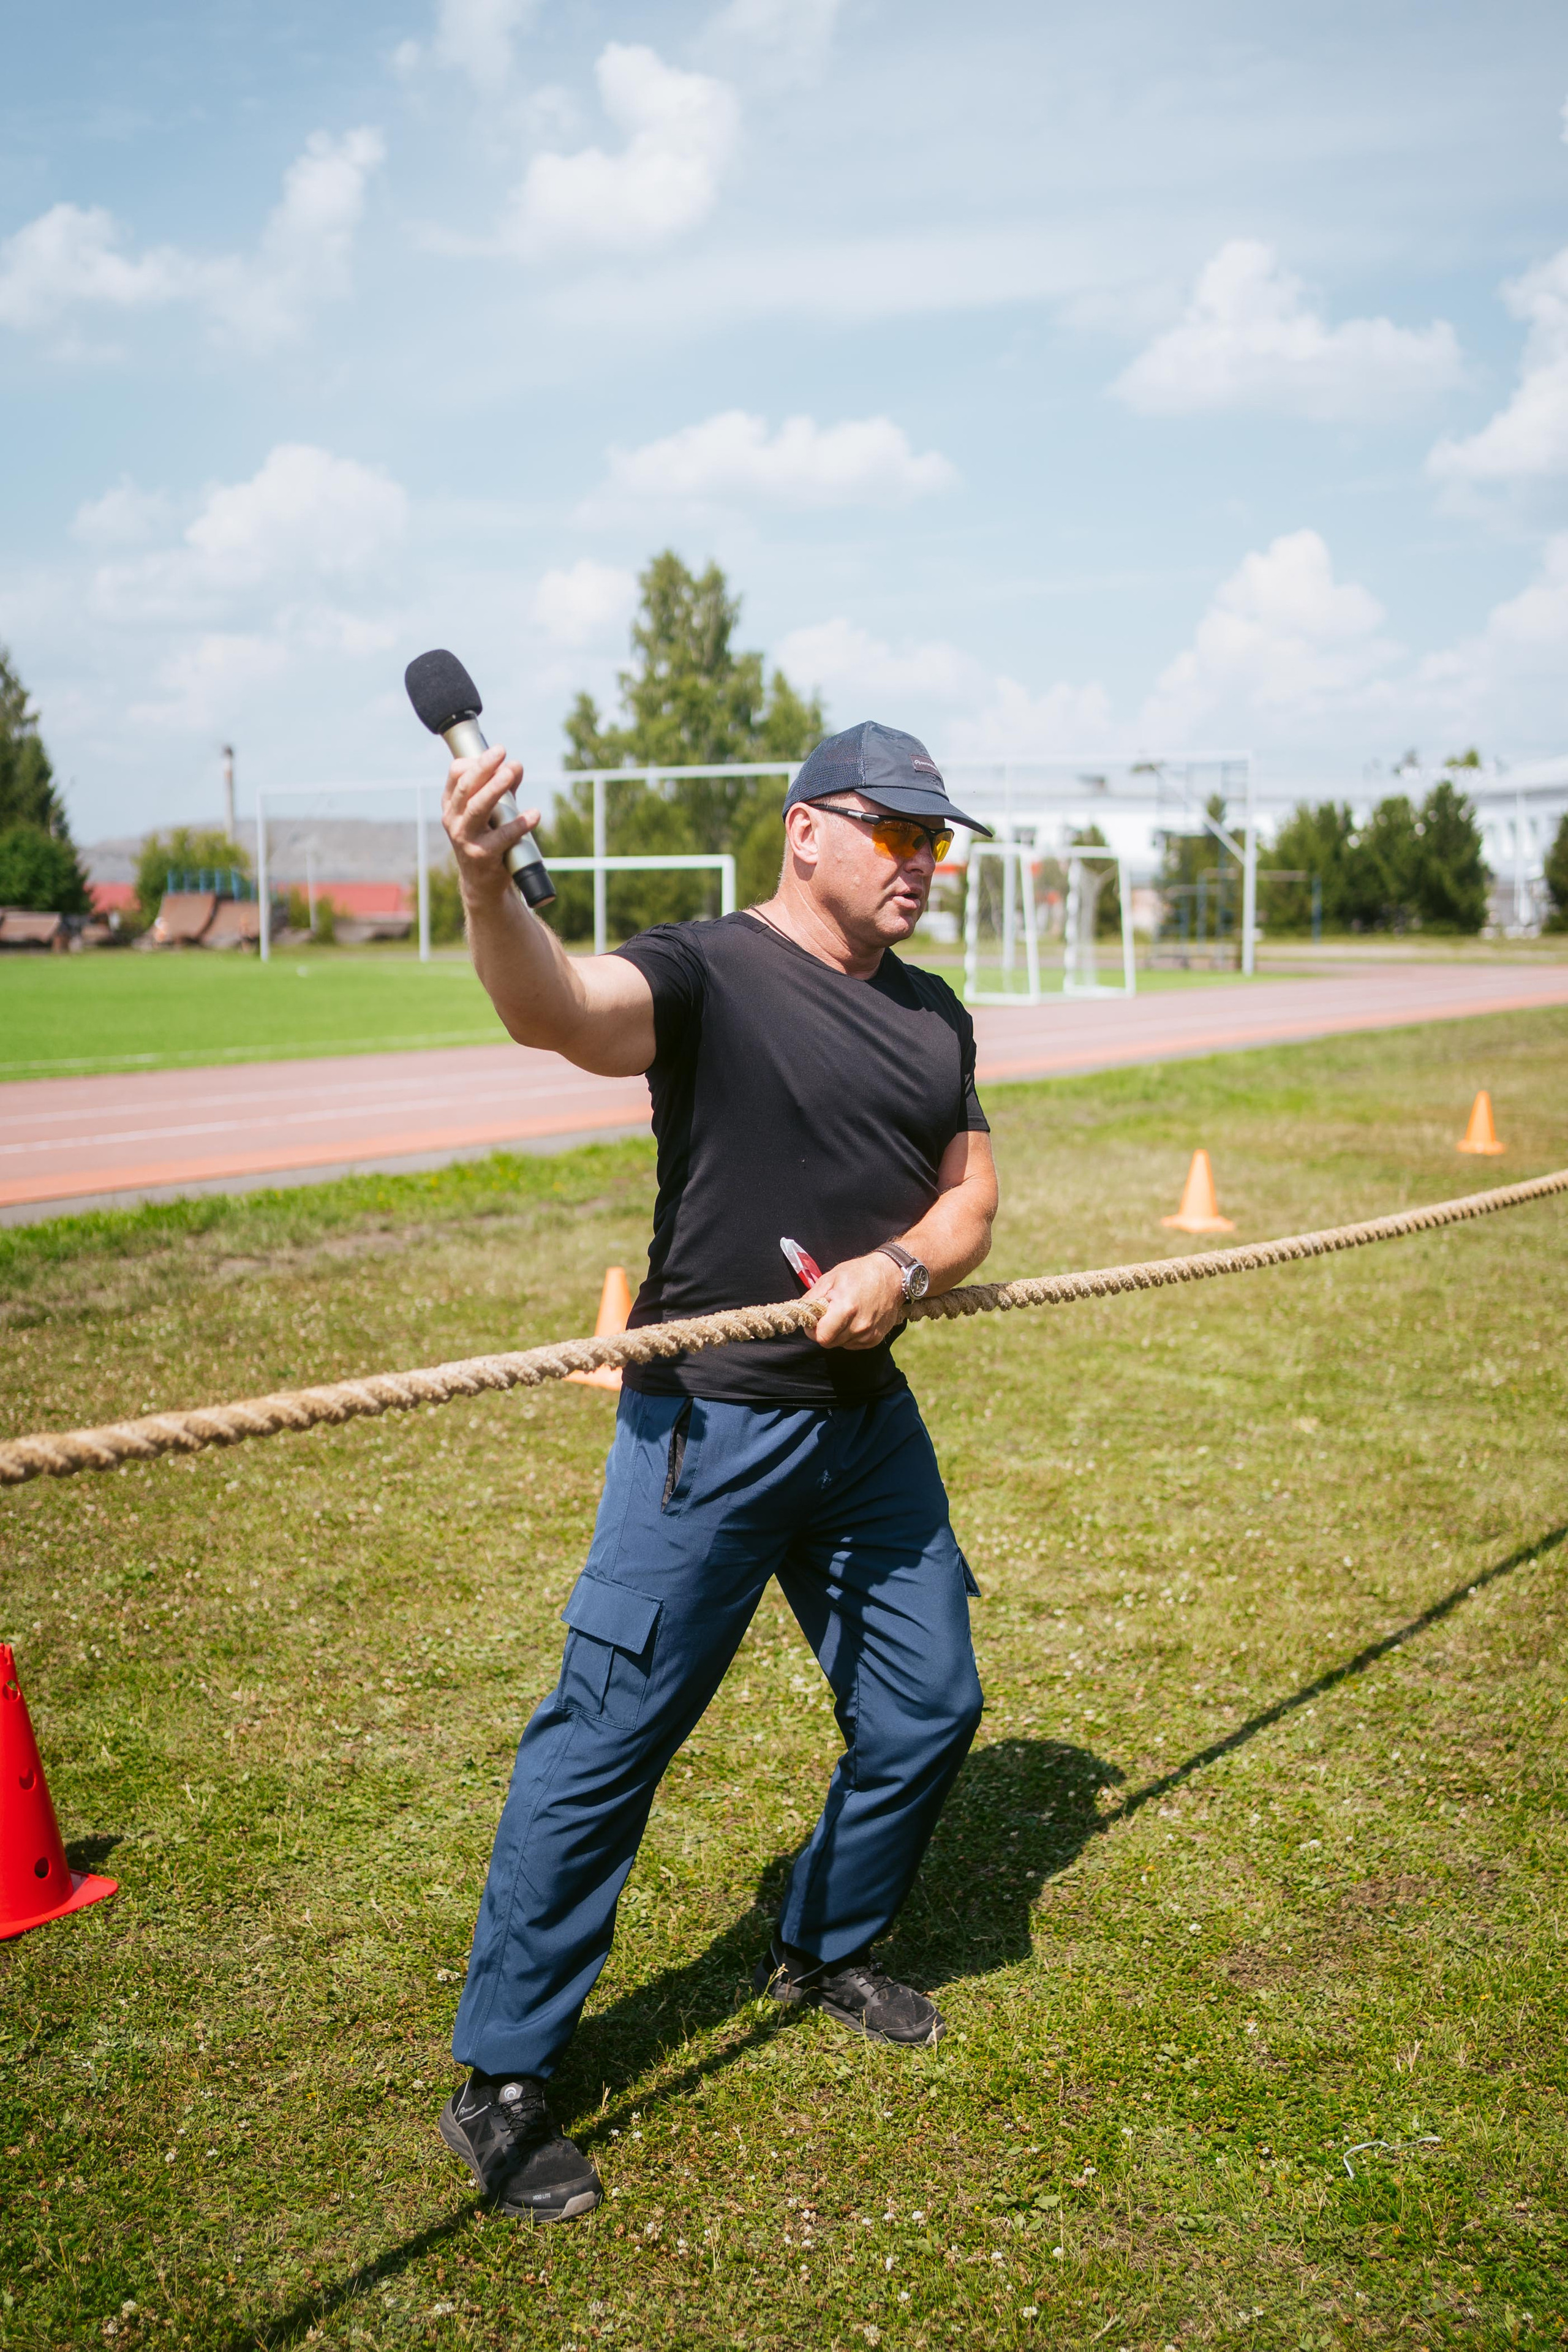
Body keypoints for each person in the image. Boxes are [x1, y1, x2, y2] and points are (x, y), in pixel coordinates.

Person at [435, 720, 1000, 2223]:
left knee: (931, 1702)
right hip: (707, 1432)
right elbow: (563, 1008)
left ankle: (822, 1940)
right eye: (898, 833)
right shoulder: (705, 969)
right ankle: (501, 2077)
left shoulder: (935, 1015)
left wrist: (900, 1264)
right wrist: (493, 893)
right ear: (806, 829)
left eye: (939, 842)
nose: (923, 865)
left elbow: (970, 1201)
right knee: (604, 1743)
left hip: (864, 1425)